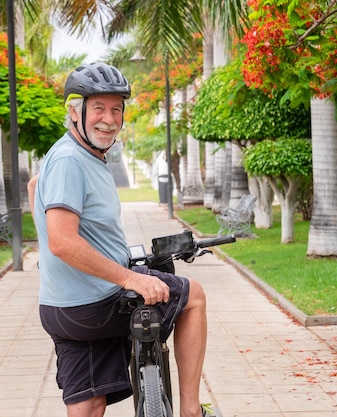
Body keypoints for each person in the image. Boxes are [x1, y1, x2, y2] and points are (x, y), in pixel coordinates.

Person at [27, 62, 208, 417]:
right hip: (96, 304)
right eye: (98, 108)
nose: (108, 119)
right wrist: (129, 277)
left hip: (59, 306)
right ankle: (191, 410)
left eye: (115, 109)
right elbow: (62, 242)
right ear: (75, 112)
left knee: (88, 403)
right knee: (194, 296)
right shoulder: (70, 160)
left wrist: (53, 261)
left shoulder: (68, 154)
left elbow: (36, 186)